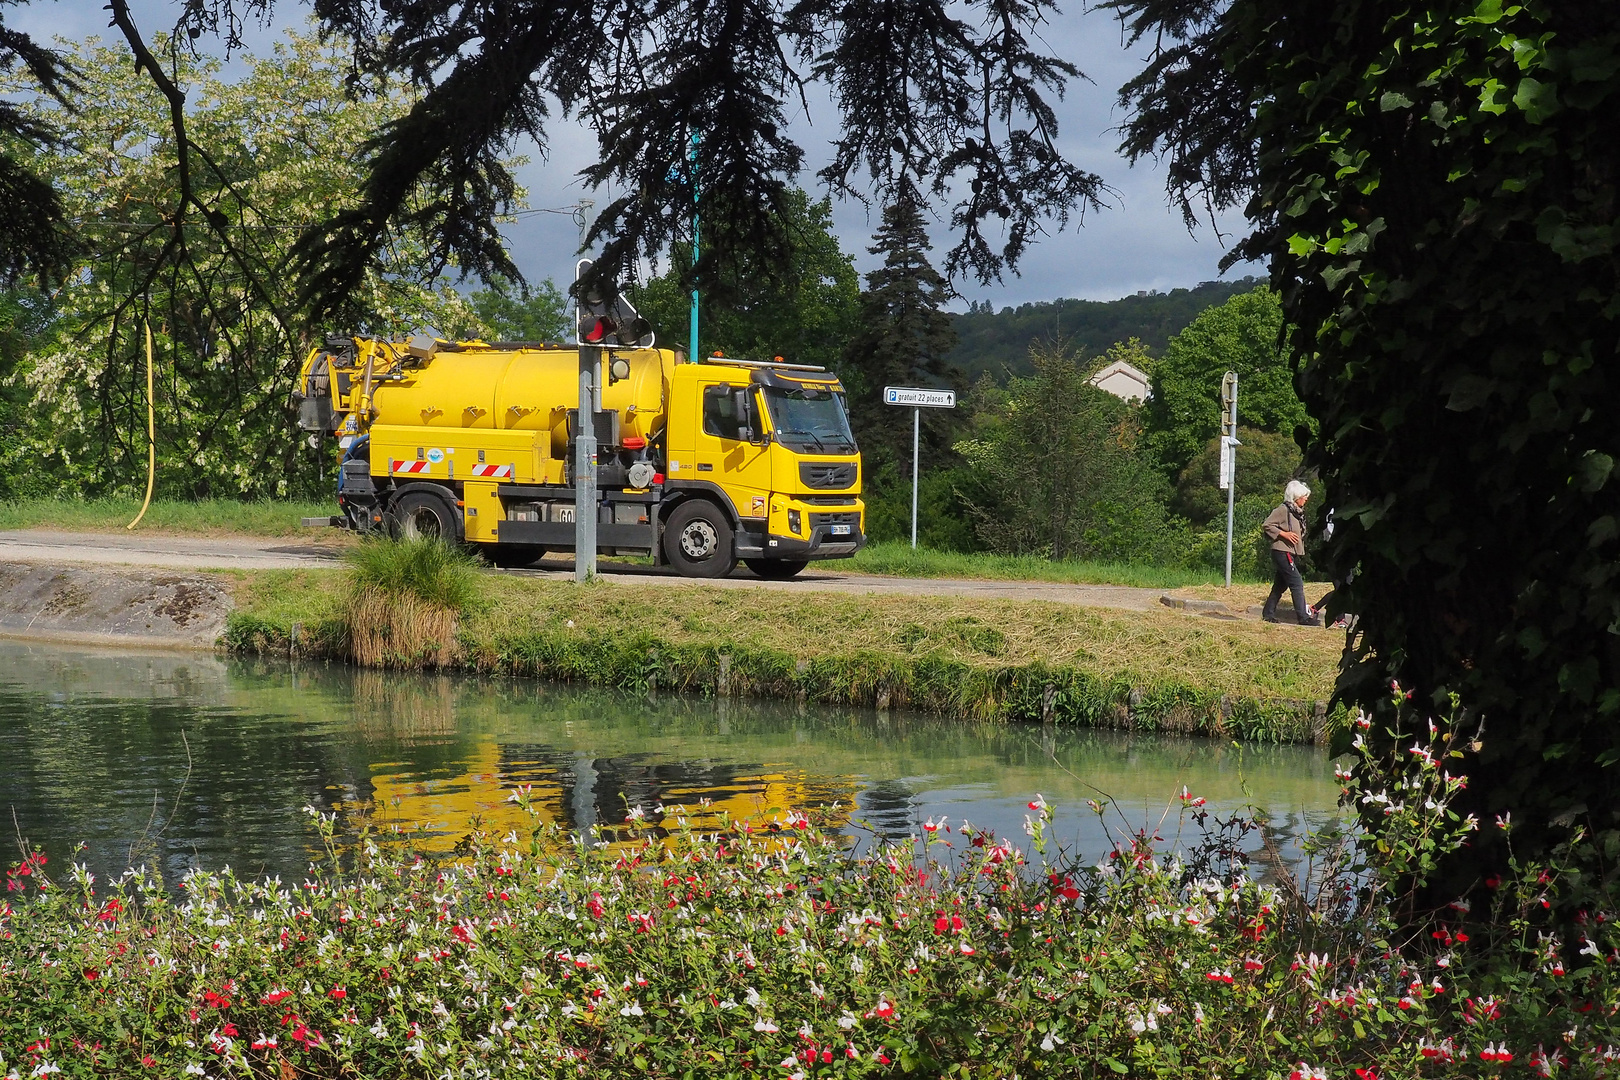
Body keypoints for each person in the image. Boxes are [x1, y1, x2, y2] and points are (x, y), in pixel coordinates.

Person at [1261, 480, 1320, 626]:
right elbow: (1267, 525)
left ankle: (1268, 614)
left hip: (1290, 552)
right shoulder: (1283, 510)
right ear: (1296, 497)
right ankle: (1303, 617)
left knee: (1280, 586)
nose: (1306, 499)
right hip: (1282, 551)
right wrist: (1283, 534)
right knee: (1297, 582)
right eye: (1304, 496)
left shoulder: (1297, 512)